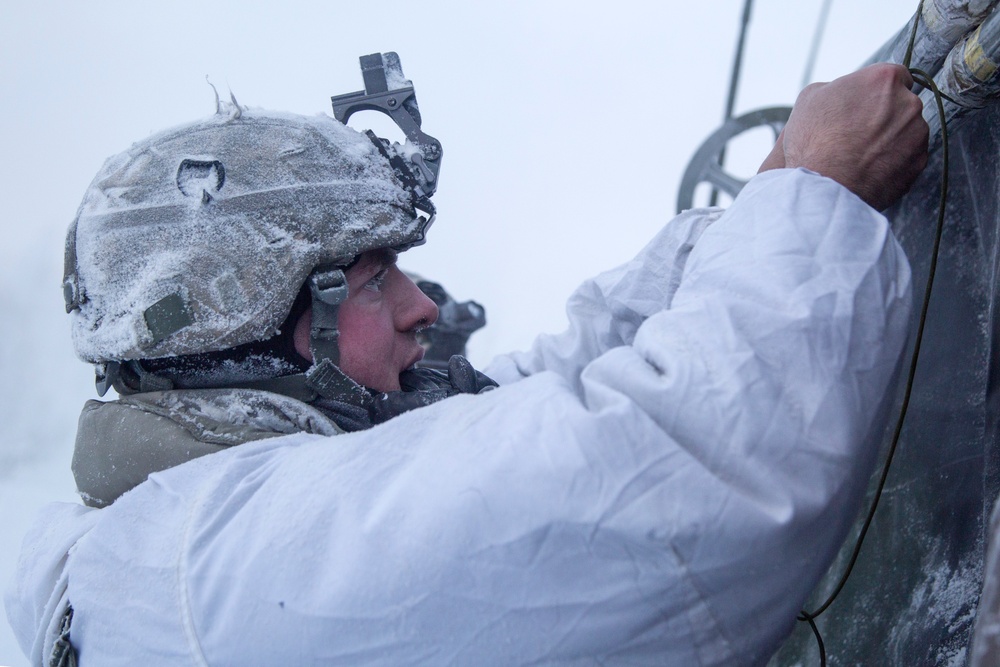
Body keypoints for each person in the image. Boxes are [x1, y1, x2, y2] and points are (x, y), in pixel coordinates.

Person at [5, 53, 926, 665]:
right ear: (238, 332)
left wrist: (768, 203)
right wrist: (816, 195)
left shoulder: (192, 525)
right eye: (373, 280)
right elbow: (675, 465)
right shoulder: (223, 565)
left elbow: (532, 393)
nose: (425, 307)